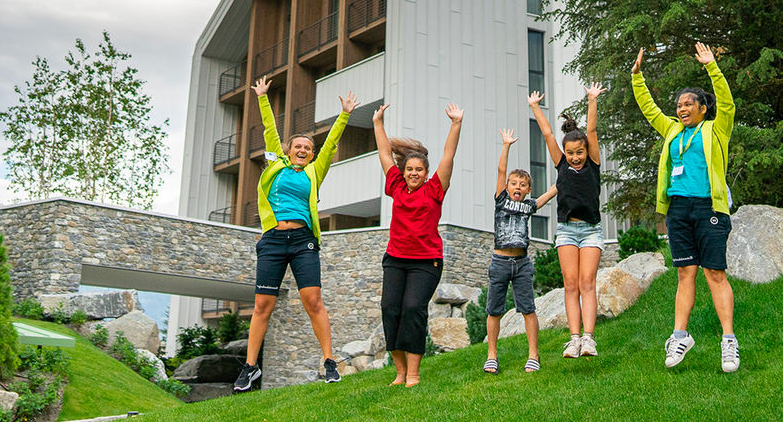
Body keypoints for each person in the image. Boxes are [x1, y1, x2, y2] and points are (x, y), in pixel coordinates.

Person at [233, 76, 359, 391]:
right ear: (288, 151)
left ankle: (329, 362)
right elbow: (270, 130)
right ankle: (250, 367)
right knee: (263, 305)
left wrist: (344, 115)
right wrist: (262, 97)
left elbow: (331, 144)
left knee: (312, 300)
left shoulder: (315, 171)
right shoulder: (276, 164)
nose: (303, 150)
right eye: (298, 146)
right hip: (273, 241)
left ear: (312, 155)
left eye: (308, 148)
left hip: (303, 241)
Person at [631, 43, 740, 373]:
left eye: (688, 104)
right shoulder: (673, 131)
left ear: (703, 108)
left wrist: (712, 67)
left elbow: (728, 103)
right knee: (684, 273)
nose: (681, 109)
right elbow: (650, 110)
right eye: (678, 105)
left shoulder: (716, 129)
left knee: (715, 273)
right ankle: (680, 336)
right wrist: (637, 78)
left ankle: (728, 341)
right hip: (678, 210)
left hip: (709, 208)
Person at [373, 101, 462, 387]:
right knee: (390, 308)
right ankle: (400, 372)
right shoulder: (396, 186)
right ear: (404, 171)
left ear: (426, 173)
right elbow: (384, 154)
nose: (413, 173)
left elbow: (448, 157)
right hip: (395, 259)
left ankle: (413, 373)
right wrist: (377, 123)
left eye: (419, 170)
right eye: (409, 169)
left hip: (426, 262)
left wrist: (456, 124)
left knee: (413, 309)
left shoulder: (435, 189)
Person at [528, 84, 606, 359]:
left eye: (579, 152)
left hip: (591, 231)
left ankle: (589, 339)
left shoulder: (593, 163)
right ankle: (574, 340)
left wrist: (592, 100)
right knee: (571, 285)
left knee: (587, 282)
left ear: (586, 151)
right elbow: (548, 134)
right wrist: (535, 107)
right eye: (570, 153)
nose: (575, 158)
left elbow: (592, 131)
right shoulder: (561, 164)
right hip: (566, 231)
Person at [482, 129, 557, 374]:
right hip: (500, 262)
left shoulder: (528, 206)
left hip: (522, 263)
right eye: (514, 183)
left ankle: (533, 355)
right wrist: (506, 146)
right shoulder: (501, 200)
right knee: (494, 309)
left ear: (528, 190)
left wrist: (562, 180)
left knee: (528, 308)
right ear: (507, 187)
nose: (517, 186)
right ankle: (492, 355)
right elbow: (501, 170)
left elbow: (549, 194)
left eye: (522, 185)